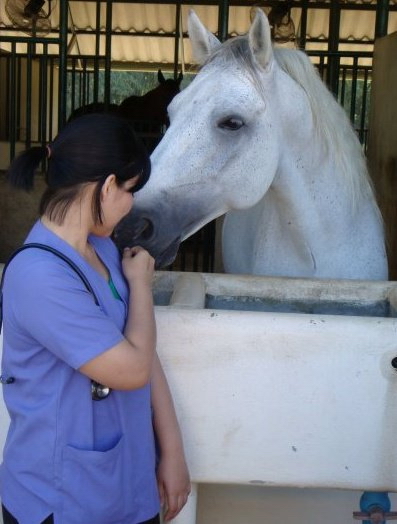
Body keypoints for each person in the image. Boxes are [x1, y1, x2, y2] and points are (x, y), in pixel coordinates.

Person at [0, 113, 190, 524]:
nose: (131, 204)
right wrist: (140, 284)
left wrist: (171, 451)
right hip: (63, 498)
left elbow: (143, 348)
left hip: (126, 483)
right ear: (106, 186)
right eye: (130, 190)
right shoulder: (39, 277)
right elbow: (133, 368)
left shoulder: (100, 248)